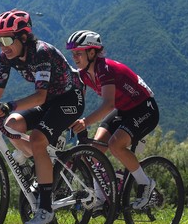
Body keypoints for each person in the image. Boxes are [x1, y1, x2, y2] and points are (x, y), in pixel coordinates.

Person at [0, 9, 84, 224]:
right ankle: (44, 163)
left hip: (70, 99)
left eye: (7, 39)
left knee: (37, 139)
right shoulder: (6, 56)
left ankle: (45, 208)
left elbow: (40, 95)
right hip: (47, 102)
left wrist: (10, 106)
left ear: (24, 37)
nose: (3, 46)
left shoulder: (41, 52)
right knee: (11, 125)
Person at [66, 30, 159, 210]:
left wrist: (85, 122)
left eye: (78, 52)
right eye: (73, 53)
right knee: (93, 152)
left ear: (92, 52)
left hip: (145, 108)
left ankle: (146, 183)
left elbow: (108, 105)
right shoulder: (84, 74)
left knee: (116, 145)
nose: (75, 57)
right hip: (123, 110)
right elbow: (77, 103)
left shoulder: (104, 69)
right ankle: (101, 199)